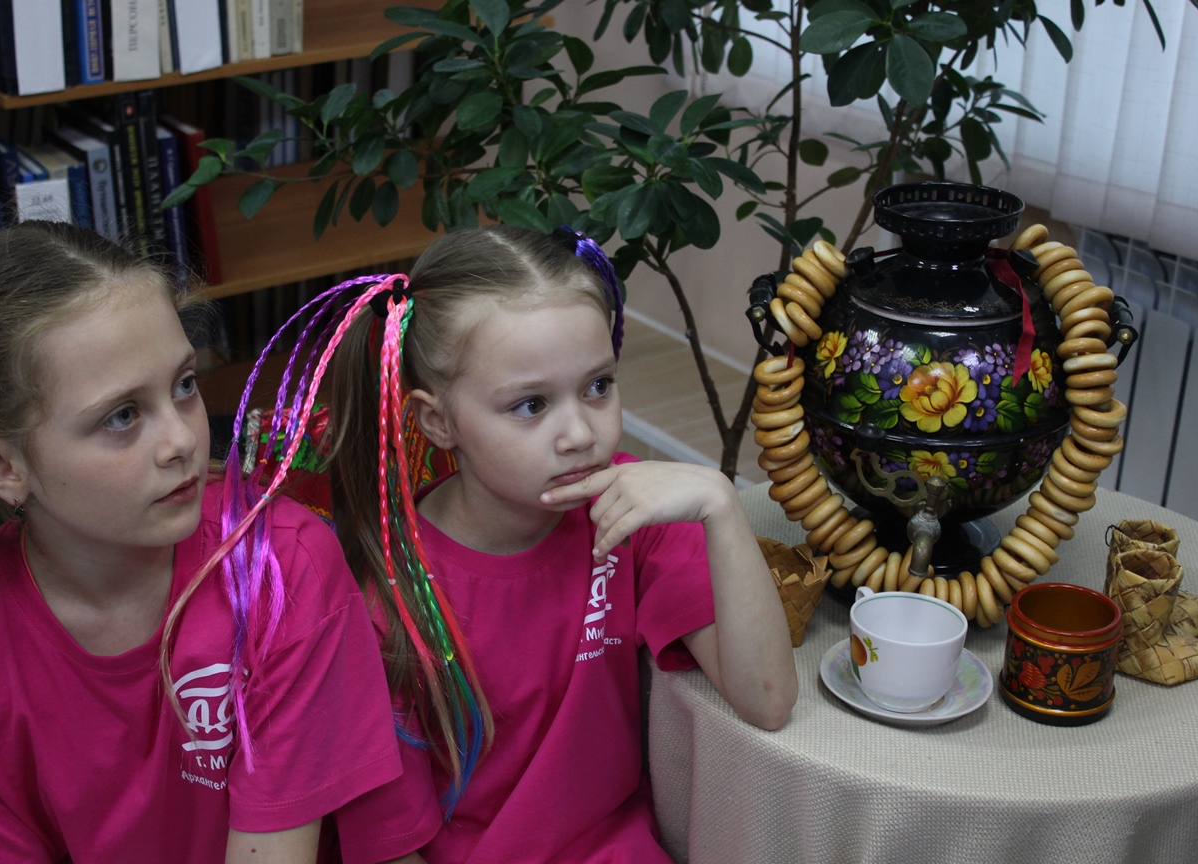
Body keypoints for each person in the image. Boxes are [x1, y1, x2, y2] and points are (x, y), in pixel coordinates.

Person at [235, 225, 799, 863]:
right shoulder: (386, 599)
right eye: (531, 405)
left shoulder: (630, 512)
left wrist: (721, 505)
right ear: (438, 421)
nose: (579, 433)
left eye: (598, 386)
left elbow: (768, 698)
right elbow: (391, 849)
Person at [0, 221, 419, 864]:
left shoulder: (279, 568)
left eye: (184, 385)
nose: (181, 441)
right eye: (122, 416)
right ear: (3, 466)